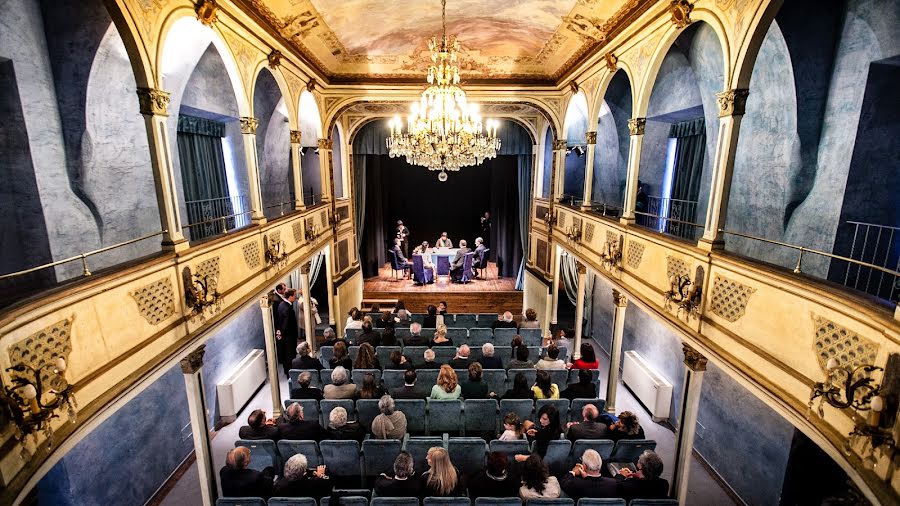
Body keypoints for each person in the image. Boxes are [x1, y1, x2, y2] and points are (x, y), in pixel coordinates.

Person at [275, 289, 299, 377]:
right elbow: (285, 324)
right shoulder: (287, 308)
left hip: (286, 336)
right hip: (289, 336)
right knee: (290, 355)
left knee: (286, 355)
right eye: (294, 295)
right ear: (290, 296)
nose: (295, 297)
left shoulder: (281, 305)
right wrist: (282, 333)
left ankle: (287, 370)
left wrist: (279, 332)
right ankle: (290, 373)